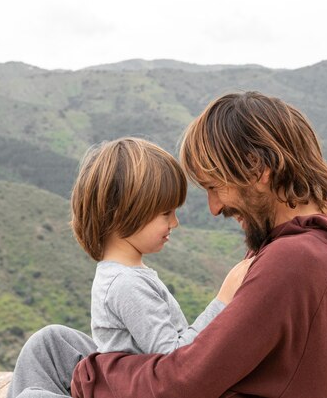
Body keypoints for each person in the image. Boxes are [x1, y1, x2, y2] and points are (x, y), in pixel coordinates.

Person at [8, 91, 327, 398]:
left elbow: (184, 381)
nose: (214, 207)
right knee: (50, 344)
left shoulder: (292, 260)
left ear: (258, 170)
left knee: (47, 375)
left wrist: (92, 374)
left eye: (213, 186)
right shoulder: (322, 237)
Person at [70, 138, 248, 355]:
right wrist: (222, 301)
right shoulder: (126, 285)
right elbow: (173, 358)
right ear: (122, 212)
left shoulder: (128, 277)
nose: (174, 223)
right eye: (166, 214)